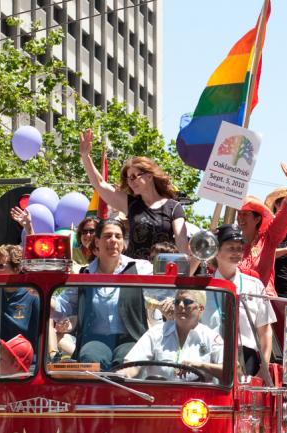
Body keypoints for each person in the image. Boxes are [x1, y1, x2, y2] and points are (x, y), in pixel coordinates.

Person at [51, 219, 153, 370]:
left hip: (130, 338)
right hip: (95, 339)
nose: (113, 240)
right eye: (107, 236)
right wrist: (39, 291)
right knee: (91, 358)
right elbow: (63, 305)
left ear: (123, 243)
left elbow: (161, 294)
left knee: (128, 361)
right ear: (97, 241)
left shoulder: (141, 268)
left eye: (118, 236)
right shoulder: (85, 274)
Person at [79, 128, 191, 261]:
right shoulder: (131, 204)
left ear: (149, 176)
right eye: (128, 179)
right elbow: (100, 184)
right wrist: (85, 156)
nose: (130, 182)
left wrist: (183, 271)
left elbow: (182, 242)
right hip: (133, 274)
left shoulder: (174, 207)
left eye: (133, 176)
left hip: (161, 273)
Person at [213, 224, 277, 376]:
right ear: (216, 251)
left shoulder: (254, 285)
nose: (237, 252)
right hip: (210, 357)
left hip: (246, 359)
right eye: (230, 248)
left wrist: (264, 368)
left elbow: (265, 331)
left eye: (239, 248)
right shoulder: (205, 287)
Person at [121, 289, 223, 381]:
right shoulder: (156, 333)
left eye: (187, 302)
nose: (180, 306)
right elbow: (132, 364)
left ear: (201, 308)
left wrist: (201, 366)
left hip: (196, 398)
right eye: (177, 302)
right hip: (158, 397)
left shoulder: (211, 337)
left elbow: (232, 371)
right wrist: (124, 374)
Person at [237, 162, 287, 296]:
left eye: (246, 214)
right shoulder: (232, 242)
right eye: (239, 214)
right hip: (235, 303)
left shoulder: (268, 239)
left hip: (263, 304)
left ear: (257, 219)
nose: (241, 219)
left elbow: (283, 214)